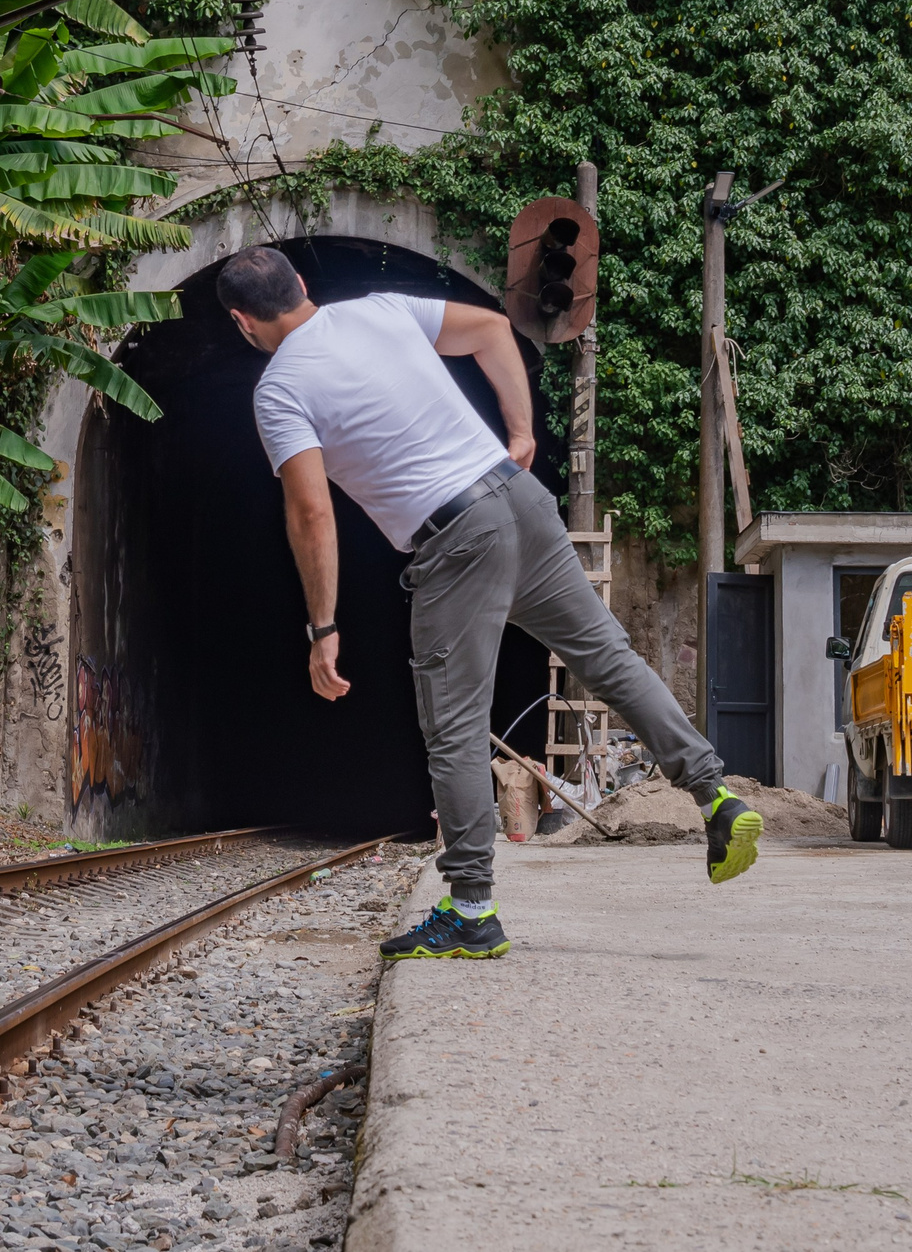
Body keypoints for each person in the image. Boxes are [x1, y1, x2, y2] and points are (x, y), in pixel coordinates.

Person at [219, 244, 761, 964]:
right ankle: (714, 792)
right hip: (521, 500)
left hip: (454, 542)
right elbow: (491, 330)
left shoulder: (278, 388)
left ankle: (472, 909)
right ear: (303, 286)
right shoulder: (381, 311)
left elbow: (311, 512)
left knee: (454, 728)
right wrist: (522, 431)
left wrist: (324, 625)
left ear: (242, 322)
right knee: (610, 660)